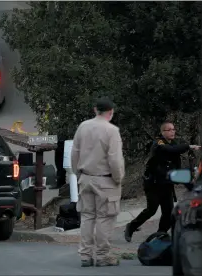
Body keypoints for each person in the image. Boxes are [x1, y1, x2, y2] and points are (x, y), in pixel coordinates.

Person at [124, 121, 200, 242]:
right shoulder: (158, 143)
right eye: (169, 130)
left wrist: (190, 183)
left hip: (166, 184)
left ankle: (161, 234)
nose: (172, 131)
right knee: (151, 210)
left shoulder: (174, 144)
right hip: (153, 184)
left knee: (168, 212)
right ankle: (131, 227)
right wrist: (188, 146)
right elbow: (170, 150)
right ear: (162, 132)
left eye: (173, 129)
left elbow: (175, 165)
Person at [71, 97, 125, 267]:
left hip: (85, 177)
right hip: (105, 179)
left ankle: (85, 255)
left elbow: (75, 153)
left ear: (95, 110)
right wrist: (118, 178)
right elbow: (115, 160)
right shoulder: (111, 130)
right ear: (111, 112)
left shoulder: (83, 127)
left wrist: (77, 172)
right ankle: (103, 255)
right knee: (104, 218)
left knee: (87, 217)